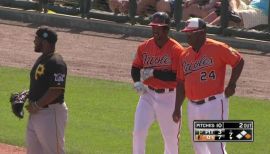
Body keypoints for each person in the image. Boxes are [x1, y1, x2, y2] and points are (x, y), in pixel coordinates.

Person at [172, 18, 244, 154]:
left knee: (216, 148)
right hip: (193, 107)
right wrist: (177, 108)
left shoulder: (217, 47)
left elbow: (238, 61)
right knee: (199, 149)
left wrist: (232, 85)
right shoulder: (185, 55)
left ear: (201, 33)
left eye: (191, 33)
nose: (187, 36)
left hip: (214, 105)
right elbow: (181, 83)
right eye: (186, 33)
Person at [131, 12, 184, 154]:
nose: (155, 30)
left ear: (166, 29)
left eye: (159, 27)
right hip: (147, 95)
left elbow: (175, 77)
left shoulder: (177, 50)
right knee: (138, 132)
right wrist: (137, 83)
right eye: (153, 27)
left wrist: (153, 72)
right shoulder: (144, 47)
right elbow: (136, 68)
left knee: (171, 140)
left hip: (169, 97)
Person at [25, 26, 68, 154]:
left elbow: (56, 90)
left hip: (50, 113)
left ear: (44, 41)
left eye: (36, 39)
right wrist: (28, 93)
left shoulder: (56, 62)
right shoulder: (43, 58)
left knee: (53, 151)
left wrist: (37, 105)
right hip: (36, 112)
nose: (34, 41)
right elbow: (41, 84)